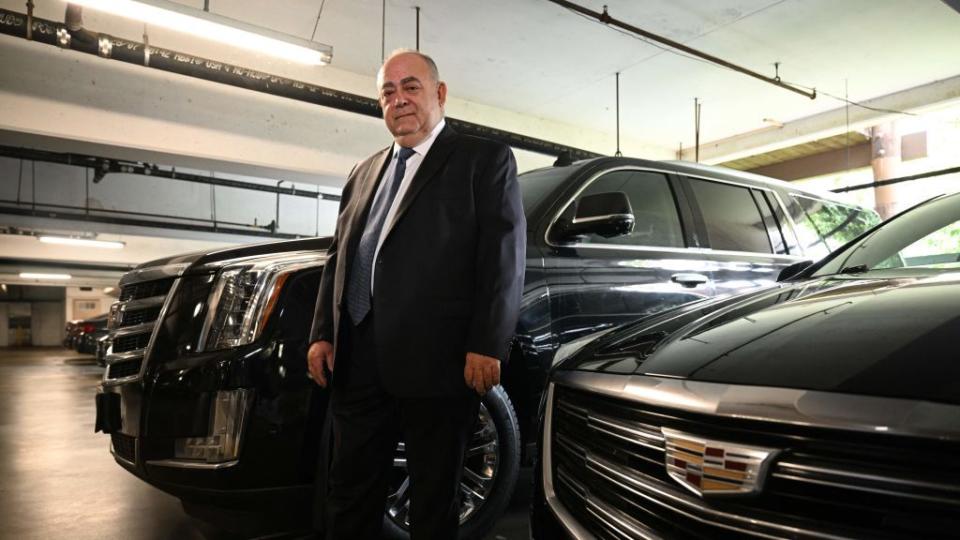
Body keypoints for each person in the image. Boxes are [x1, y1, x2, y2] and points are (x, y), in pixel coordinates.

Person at [306, 49, 525, 539]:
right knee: (350, 489)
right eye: (388, 91)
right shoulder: (363, 173)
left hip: (440, 362)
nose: (398, 99)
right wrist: (323, 333)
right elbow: (339, 257)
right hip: (358, 357)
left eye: (411, 87)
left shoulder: (482, 160)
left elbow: (503, 257)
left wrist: (488, 342)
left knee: (433, 498)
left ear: (440, 94)